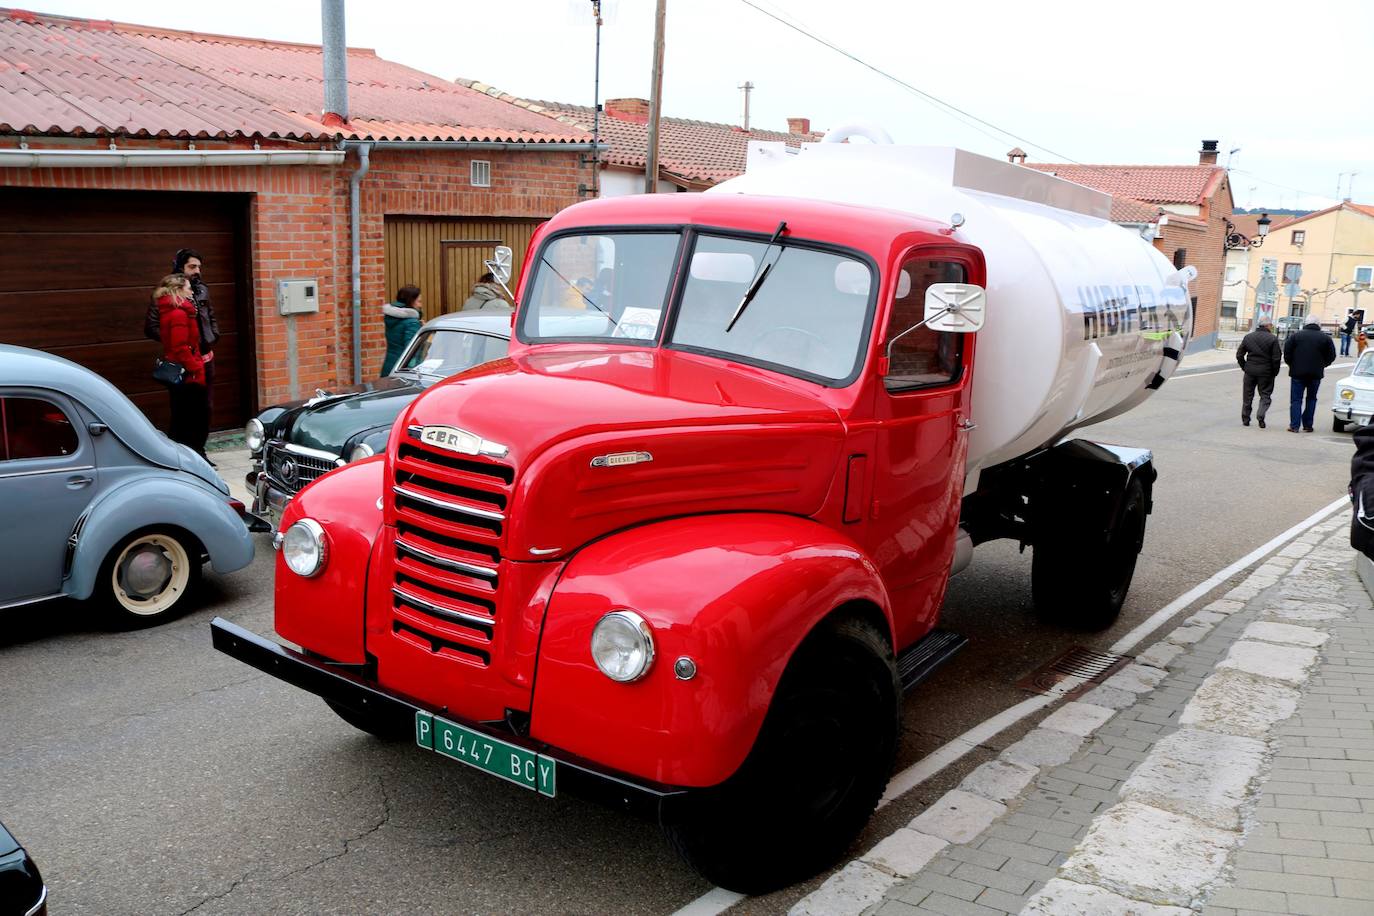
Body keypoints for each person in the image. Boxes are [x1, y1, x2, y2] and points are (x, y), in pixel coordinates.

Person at [146, 248, 219, 403]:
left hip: (205, 357)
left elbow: (210, 315)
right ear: (180, 268)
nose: (197, 271)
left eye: (199, 267)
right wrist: (179, 343)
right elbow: (151, 327)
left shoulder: (202, 290)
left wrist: (213, 334)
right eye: (192, 267)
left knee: (206, 406)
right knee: (184, 408)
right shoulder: (166, 295)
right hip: (183, 362)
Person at [155, 273, 209, 456]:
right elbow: (180, 347)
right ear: (178, 290)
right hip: (188, 374)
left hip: (184, 371)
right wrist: (195, 367)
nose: (191, 292)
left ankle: (181, 454)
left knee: (182, 416)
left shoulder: (174, 310)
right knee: (192, 417)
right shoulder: (178, 313)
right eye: (188, 288)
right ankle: (191, 455)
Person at [1283, 316, 1337, 432]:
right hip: (1315, 374)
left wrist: (1292, 365)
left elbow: (1287, 352)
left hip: (1297, 373)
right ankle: (1308, 425)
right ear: (1318, 324)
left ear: (1305, 323)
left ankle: (1294, 425)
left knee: (1296, 400)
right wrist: (1323, 365)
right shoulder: (1325, 338)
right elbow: (1331, 355)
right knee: (1311, 399)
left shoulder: (1295, 336)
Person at [1236, 321, 1282, 428]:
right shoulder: (1273, 339)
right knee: (1265, 394)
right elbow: (1276, 358)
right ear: (1268, 326)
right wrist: (1274, 372)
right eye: (1271, 325)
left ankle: (1245, 418)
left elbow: (1239, 355)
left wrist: (1245, 367)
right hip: (1266, 372)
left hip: (1250, 371)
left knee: (1247, 395)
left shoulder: (1248, 337)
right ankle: (1261, 414)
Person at [381, 285, 423, 376]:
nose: (420, 305)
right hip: (403, 370)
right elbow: (412, 351)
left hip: (389, 366)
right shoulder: (412, 323)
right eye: (419, 301)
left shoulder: (392, 318)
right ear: (411, 301)